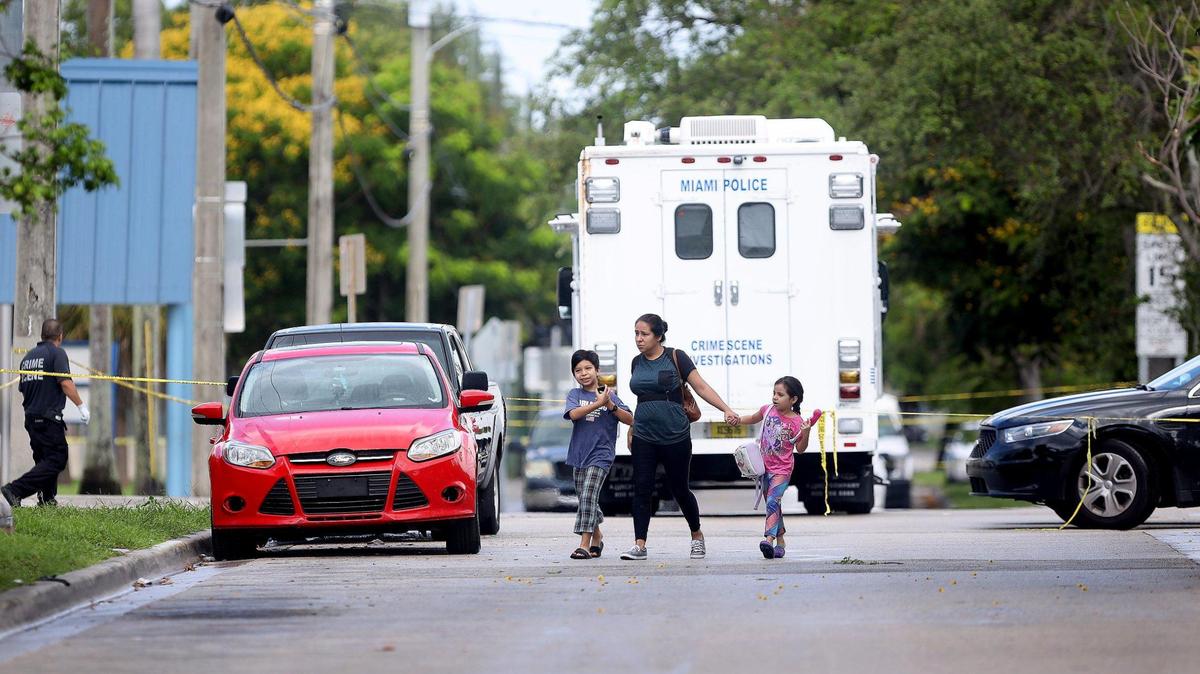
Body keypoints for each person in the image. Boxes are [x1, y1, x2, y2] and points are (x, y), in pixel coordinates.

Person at [620, 314, 740, 561]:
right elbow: (641, 397)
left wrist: (725, 409)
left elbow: (701, 387)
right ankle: (639, 544)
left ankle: (697, 535)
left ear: (658, 336)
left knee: (680, 489)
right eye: (636, 333)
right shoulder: (636, 362)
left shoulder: (676, 356)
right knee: (642, 488)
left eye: (644, 334)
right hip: (644, 435)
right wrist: (632, 427)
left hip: (675, 435)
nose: (639, 339)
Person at [1, 319, 89, 508]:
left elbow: (23, 388)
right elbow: (65, 382)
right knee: (57, 458)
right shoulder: (56, 353)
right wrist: (81, 406)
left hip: (31, 417)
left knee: (44, 460)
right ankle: (14, 490)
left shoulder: (28, 358)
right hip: (48, 418)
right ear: (60, 336)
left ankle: (47, 500)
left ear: (42, 335)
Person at [736, 376, 816, 559]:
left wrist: (806, 432)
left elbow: (801, 449)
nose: (775, 397)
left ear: (793, 399)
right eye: (774, 393)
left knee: (772, 502)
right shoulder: (768, 410)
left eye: (780, 395)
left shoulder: (797, 422)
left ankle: (769, 540)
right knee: (774, 505)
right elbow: (753, 418)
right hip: (764, 468)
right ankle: (781, 541)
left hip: (782, 470)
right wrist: (737, 419)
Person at [563, 350, 633, 559]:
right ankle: (598, 536)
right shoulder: (574, 395)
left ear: (597, 370)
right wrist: (597, 404)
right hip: (578, 455)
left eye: (588, 368)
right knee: (587, 499)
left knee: (588, 496)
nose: (583, 373)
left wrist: (609, 405)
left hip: (601, 455)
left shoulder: (609, 395)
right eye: (578, 370)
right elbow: (573, 415)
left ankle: (583, 544)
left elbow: (630, 419)